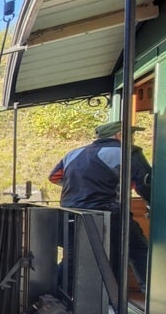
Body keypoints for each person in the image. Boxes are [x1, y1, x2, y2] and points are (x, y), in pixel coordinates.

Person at [49, 120, 152, 293]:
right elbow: (146, 182)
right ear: (119, 135)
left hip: (71, 213)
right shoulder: (127, 152)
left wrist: (83, 187)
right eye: (130, 135)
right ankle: (151, 293)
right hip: (108, 214)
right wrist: (152, 204)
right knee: (138, 249)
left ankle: (57, 294)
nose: (132, 139)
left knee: (74, 255)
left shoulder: (74, 153)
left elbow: (54, 177)